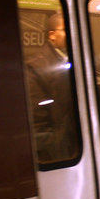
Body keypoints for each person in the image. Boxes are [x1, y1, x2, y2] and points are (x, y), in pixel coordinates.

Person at [25, 12, 80, 164]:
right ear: (52, 35)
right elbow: (39, 122)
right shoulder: (36, 67)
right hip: (56, 153)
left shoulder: (72, 61)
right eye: (64, 29)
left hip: (70, 145)